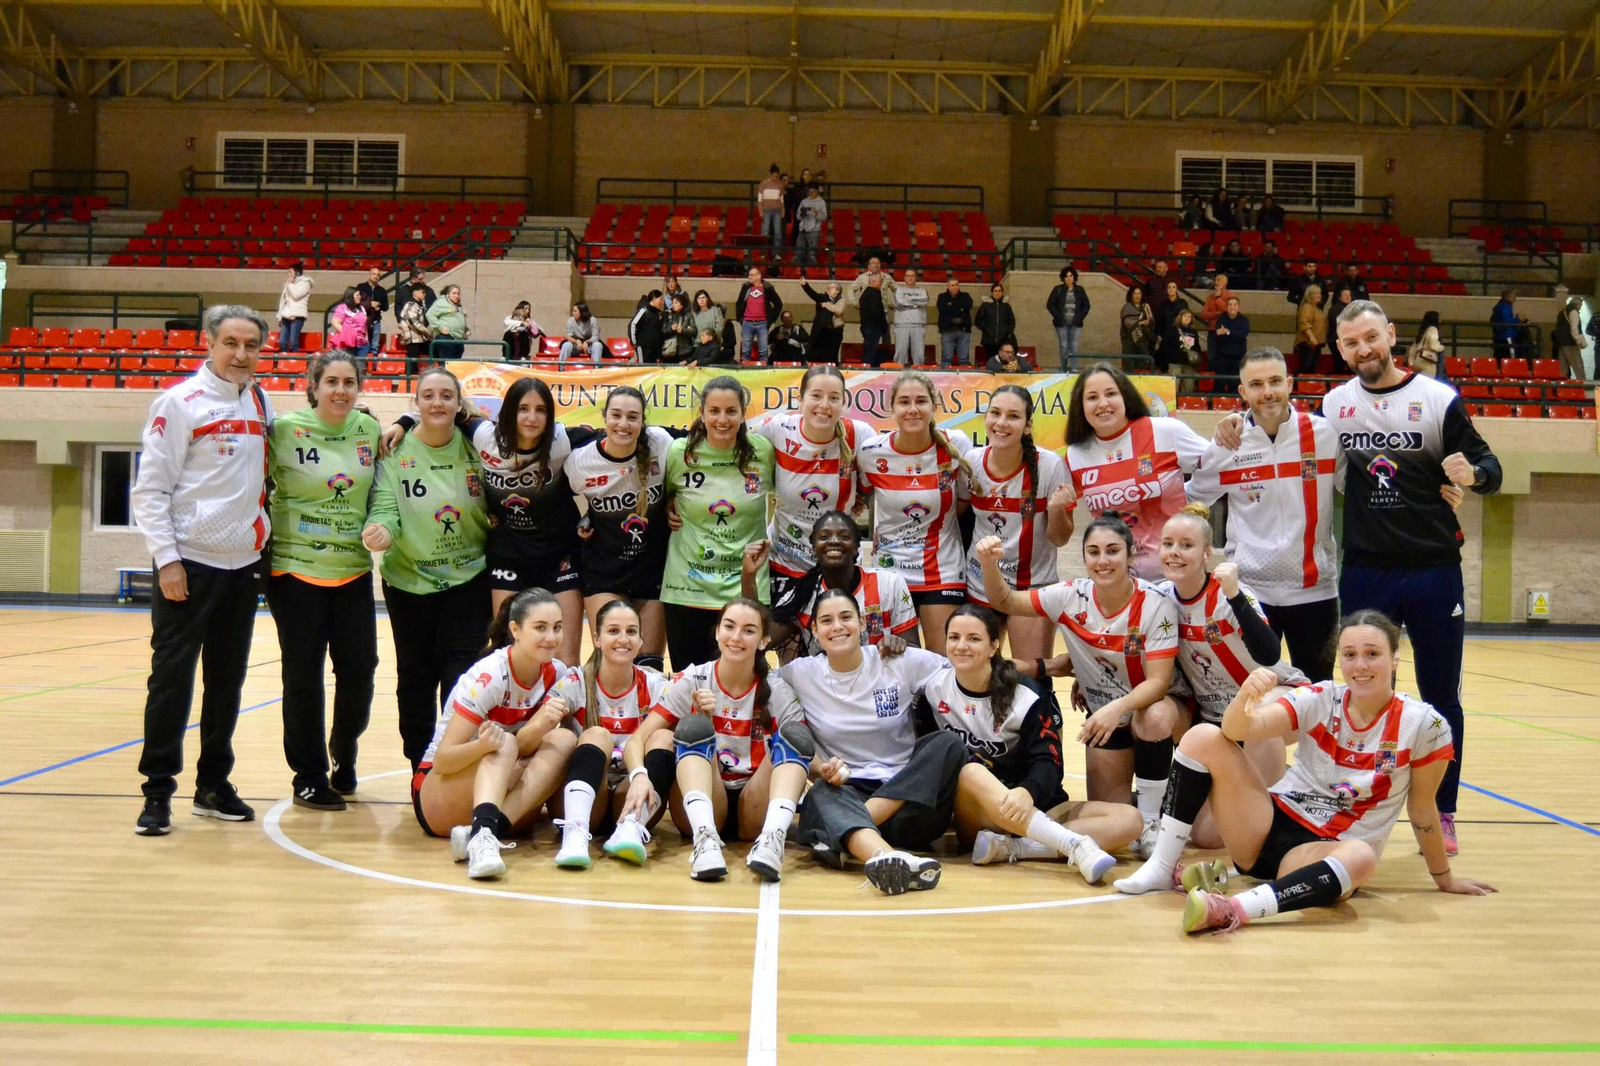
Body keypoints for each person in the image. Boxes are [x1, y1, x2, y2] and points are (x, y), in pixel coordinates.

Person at [1116, 613, 1496, 934]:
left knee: (1363, 857)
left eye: (1372, 654)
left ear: (1395, 659)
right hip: (1267, 826)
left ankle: (1234, 908)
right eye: (1350, 655)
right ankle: (1161, 868)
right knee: (1203, 736)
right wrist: (1244, 695)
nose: (1360, 666)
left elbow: (1423, 808)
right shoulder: (1321, 697)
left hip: (1324, 852)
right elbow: (1236, 732)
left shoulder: (1425, 725)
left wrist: (1443, 878)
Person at [1323, 299, 1502, 854]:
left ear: (1391, 334)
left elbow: (1491, 468)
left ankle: (1442, 810)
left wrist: (1472, 475)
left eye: (1371, 338)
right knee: (1362, 696)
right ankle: (1363, 804)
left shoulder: (1437, 399)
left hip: (1432, 570)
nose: (1363, 350)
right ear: (1340, 348)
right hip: (1366, 571)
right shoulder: (1334, 405)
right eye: (1351, 343)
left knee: (1441, 694)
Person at [130, 304, 275, 836]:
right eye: (231, 343)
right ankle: (157, 792)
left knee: (227, 681)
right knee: (171, 681)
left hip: (243, 567)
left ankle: (213, 784)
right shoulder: (178, 403)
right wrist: (167, 560)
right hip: (188, 565)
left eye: (251, 346)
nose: (241, 355)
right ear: (209, 344)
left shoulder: (261, 401)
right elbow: (150, 490)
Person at [976, 514, 1180, 842]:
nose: (1102, 560)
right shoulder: (1071, 595)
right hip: (1104, 719)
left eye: (1112, 551)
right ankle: (1155, 803)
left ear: (1131, 555)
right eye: (1093, 552)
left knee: (1153, 717)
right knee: (1115, 820)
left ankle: (1155, 819)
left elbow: (1157, 683)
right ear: (1083, 557)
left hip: (1155, 711)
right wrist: (988, 563)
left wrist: (1115, 709)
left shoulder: (1156, 604)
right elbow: (1005, 601)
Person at [386, 375, 596, 666]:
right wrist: (404, 421)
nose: (531, 417)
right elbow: (444, 408)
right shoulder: (485, 436)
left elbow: (616, 441)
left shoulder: (562, 441)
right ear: (509, 411)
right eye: (523, 408)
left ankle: (564, 712)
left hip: (559, 556)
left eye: (541, 410)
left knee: (564, 656)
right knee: (506, 655)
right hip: (509, 555)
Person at [778, 590, 967, 895]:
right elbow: (755, 682)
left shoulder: (897, 659)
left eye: (846, 617)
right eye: (826, 621)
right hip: (846, 789)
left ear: (863, 623)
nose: (837, 626)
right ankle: (885, 856)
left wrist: (1040, 670)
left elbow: (962, 671)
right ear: (814, 630)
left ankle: (845, 834)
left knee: (948, 744)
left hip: (909, 801)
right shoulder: (801, 673)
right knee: (821, 792)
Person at [939, 606, 1140, 878]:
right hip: (982, 815)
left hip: (1031, 805)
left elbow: (1050, 763)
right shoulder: (934, 689)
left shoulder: (1025, 694)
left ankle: (1017, 847)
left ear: (994, 646)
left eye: (974, 638)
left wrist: (1028, 792)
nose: (962, 646)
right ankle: (1071, 844)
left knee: (1131, 820)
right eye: (954, 637)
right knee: (972, 771)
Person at [265, 352, 381, 811]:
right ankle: (309, 776)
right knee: (302, 677)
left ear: (359, 387)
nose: (340, 390)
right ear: (313, 386)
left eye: (349, 382)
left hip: (352, 571)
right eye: (330, 381)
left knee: (360, 672)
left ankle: (344, 748)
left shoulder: (370, 431)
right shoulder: (284, 431)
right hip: (294, 572)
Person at [1151, 506, 1307, 847]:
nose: (1174, 552)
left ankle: (1279, 826)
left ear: (1208, 553)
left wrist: (1235, 594)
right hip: (1218, 719)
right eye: (1167, 544)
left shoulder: (1229, 593)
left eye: (1186, 545)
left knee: (1257, 711)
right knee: (1206, 838)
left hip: (1280, 695)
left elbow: (1269, 654)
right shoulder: (1159, 597)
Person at [624, 599, 810, 882]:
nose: (736, 637)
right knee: (692, 727)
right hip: (704, 796)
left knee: (794, 736)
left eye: (749, 630)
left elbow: (803, 751)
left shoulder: (777, 689)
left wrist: (829, 768)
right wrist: (639, 775)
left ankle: (773, 839)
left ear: (764, 641)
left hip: (753, 804)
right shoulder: (693, 679)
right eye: (730, 626)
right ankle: (705, 841)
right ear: (717, 632)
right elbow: (638, 739)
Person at [363, 367, 491, 772]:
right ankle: (419, 763)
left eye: (446, 396)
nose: (437, 403)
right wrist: (380, 529)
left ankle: (452, 760)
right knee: (415, 675)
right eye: (428, 396)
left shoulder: (476, 448)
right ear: (416, 404)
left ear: (458, 404)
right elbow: (384, 506)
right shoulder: (394, 452)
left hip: (469, 579)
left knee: (461, 672)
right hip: (408, 582)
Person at [1188, 349, 1343, 683]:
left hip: (1315, 591)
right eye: (1256, 384)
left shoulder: (1325, 435)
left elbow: (1360, 488)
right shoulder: (1227, 444)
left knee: (1318, 696)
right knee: (1249, 696)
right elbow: (1190, 500)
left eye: (1275, 381)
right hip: (1249, 594)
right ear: (1242, 392)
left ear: (1289, 383)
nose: (1267, 391)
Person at [411, 589, 576, 880]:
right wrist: (482, 746)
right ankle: (484, 837)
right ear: (515, 630)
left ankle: (482, 832)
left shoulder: (558, 674)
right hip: (438, 790)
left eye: (557, 628)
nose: (551, 637)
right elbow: (443, 761)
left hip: (501, 795)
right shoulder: (489, 676)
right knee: (504, 743)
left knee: (564, 740)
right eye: (540, 628)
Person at [543, 600, 673, 869]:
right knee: (597, 735)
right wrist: (545, 717)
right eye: (613, 631)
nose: (623, 639)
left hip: (632, 797)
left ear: (641, 640)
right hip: (584, 799)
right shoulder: (575, 682)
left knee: (665, 738)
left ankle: (631, 829)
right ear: (597, 639)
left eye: (631, 632)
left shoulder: (656, 685)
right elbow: (532, 740)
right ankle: (574, 835)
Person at [662, 377, 777, 670]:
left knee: (745, 685)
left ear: (743, 413)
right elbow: (664, 495)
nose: (722, 419)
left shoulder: (762, 452)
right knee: (689, 687)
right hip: (687, 588)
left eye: (731, 411)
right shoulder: (680, 452)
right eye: (714, 411)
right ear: (702, 413)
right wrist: (667, 507)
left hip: (746, 588)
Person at [1059, 363, 1209, 581]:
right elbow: (1058, 518)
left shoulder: (1165, 431)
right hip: (1115, 582)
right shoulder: (1075, 455)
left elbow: (1218, 466)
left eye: (1111, 393)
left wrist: (1193, 495)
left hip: (1175, 578)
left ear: (1125, 396)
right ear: (1080, 406)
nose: (1103, 403)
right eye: (1092, 397)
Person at [858, 372, 973, 654]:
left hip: (942, 571)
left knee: (943, 662)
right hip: (889, 571)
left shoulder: (956, 445)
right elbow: (860, 498)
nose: (913, 409)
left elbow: (963, 504)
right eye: (904, 402)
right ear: (892, 409)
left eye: (921, 401)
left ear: (934, 405)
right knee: (893, 662)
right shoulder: (871, 452)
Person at [564, 386, 677, 670]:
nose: (623, 424)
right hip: (604, 571)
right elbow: (557, 500)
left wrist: (673, 500)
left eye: (632, 417)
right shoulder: (581, 462)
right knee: (613, 660)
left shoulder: (661, 444)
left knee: (648, 667)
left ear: (642, 422)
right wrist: (582, 518)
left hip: (651, 569)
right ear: (604, 418)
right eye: (616, 415)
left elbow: (684, 477)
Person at [963, 385, 1072, 662]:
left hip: (1032, 589)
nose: (1001, 423)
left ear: (1027, 426)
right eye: (995, 413)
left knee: (1032, 679)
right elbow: (958, 514)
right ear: (985, 418)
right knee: (979, 677)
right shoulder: (972, 463)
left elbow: (1059, 538)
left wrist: (1057, 510)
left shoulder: (1050, 465)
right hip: (980, 586)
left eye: (1013, 416)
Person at [750, 364, 874, 603]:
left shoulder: (860, 435)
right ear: (800, 399)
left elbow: (883, 480)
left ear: (843, 403)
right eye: (816, 396)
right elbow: (734, 462)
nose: (824, 405)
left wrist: (858, 496)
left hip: (836, 567)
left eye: (834, 398)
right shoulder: (776, 430)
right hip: (782, 562)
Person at [759, 511, 917, 662]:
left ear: (856, 547)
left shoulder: (890, 584)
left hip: (880, 685)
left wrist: (898, 645)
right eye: (825, 536)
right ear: (813, 549)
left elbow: (914, 649)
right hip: (827, 686)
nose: (834, 541)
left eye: (844, 536)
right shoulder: (803, 595)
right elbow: (758, 643)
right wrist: (750, 575)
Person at [1046, 266, 1089, 371]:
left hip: (1076, 324)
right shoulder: (1058, 289)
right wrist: (1058, 316)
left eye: (1071, 276)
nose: (1069, 278)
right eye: (1066, 276)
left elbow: (1086, 305)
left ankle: (1074, 369)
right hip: (1061, 323)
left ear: (1074, 277)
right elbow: (1050, 305)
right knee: (1064, 346)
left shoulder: (1080, 290)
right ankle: (1064, 368)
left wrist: (1079, 318)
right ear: (1063, 278)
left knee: (1074, 346)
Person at [735, 266, 782, 363]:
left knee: (763, 350)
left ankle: (763, 370)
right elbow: (739, 303)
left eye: (752, 275)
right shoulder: (746, 287)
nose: (749, 277)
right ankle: (745, 370)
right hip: (747, 322)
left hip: (762, 323)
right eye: (749, 275)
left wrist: (771, 319)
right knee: (746, 350)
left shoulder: (767, 288)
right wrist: (740, 318)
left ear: (759, 276)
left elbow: (778, 304)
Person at [799, 277, 845, 363]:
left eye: (831, 287)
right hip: (822, 330)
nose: (828, 289)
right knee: (816, 352)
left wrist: (826, 305)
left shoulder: (841, 301)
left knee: (832, 354)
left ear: (837, 291)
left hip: (835, 331)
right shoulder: (822, 297)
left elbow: (839, 311)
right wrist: (805, 285)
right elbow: (813, 294)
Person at [1210, 296, 1250, 389]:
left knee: (1234, 386)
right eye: (1230, 305)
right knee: (1219, 385)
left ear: (1238, 307)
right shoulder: (1221, 319)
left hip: (1237, 359)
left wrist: (1228, 332)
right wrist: (1232, 334)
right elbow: (1219, 335)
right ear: (1227, 307)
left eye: (1235, 305)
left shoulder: (1244, 320)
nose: (1232, 307)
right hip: (1222, 359)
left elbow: (1242, 334)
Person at [892, 268, 929, 366]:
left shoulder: (922, 291)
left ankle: (919, 374)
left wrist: (910, 299)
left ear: (916, 278)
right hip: (902, 325)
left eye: (912, 276)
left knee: (919, 354)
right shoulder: (898, 290)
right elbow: (898, 303)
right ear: (904, 278)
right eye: (908, 275)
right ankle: (898, 373)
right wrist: (915, 305)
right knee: (900, 353)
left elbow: (924, 301)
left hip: (918, 325)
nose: (910, 278)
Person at [974, 281, 1017, 362]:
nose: (997, 293)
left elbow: (1012, 321)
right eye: (995, 291)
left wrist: (1007, 331)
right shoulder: (985, 305)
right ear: (992, 292)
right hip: (988, 340)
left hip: (1003, 340)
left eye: (999, 291)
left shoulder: (1006, 306)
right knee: (990, 361)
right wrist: (986, 329)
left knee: (1003, 361)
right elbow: (978, 320)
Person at [936, 277, 974, 368]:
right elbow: (942, 309)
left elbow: (968, 306)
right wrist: (959, 308)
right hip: (947, 331)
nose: (955, 287)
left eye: (956, 285)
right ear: (948, 287)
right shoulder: (942, 297)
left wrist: (951, 306)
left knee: (964, 359)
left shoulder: (965, 296)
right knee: (947, 358)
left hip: (963, 331)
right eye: (952, 285)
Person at [426, 284, 470, 361]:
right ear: (448, 294)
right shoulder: (441, 302)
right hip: (446, 336)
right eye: (454, 293)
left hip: (459, 338)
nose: (456, 295)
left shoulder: (459, 305)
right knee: (447, 363)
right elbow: (430, 315)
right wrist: (440, 327)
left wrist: (466, 330)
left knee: (456, 364)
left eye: (458, 293)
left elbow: (460, 320)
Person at [856, 271, 890, 366]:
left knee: (869, 350)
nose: (881, 283)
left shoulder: (867, 293)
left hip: (868, 327)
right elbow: (877, 312)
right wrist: (884, 327)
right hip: (873, 328)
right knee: (870, 351)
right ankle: (868, 368)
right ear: (873, 281)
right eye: (880, 281)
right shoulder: (873, 293)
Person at [276, 263, 312, 352]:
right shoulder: (288, 284)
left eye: (290, 272)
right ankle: (285, 360)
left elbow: (296, 295)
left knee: (293, 342)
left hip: (297, 316)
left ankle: (296, 361)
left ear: (297, 273)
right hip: (286, 315)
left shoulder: (305, 283)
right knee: (282, 341)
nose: (288, 274)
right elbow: (283, 301)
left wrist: (291, 284)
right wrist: (279, 316)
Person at [1155, 304, 1200, 376]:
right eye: (1185, 316)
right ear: (1180, 317)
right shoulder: (1172, 330)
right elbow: (1164, 345)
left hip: (1189, 364)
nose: (1187, 318)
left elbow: (1197, 346)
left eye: (1189, 316)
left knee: (1188, 387)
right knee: (1174, 386)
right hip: (1175, 364)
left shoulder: (1193, 331)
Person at [1293, 284, 1326, 376]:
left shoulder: (1318, 308)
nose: (1319, 295)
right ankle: (1296, 385)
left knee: (1313, 367)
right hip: (1308, 343)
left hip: (1317, 343)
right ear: (1310, 295)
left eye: (1319, 293)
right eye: (1316, 293)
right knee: (1305, 366)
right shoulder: (1307, 307)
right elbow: (1305, 324)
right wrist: (1312, 338)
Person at [356, 265, 388, 360]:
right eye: (374, 274)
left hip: (376, 320)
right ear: (369, 275)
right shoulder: (361, 287)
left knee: (374, 345)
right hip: (363, 320)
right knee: (363, 343)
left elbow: (386, 307)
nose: (376, 276)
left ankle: (373, 366)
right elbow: (357, 302)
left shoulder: (382, 291)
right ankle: (363, 364)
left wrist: (379, 305)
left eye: (378, 275)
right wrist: (370, 304)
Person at [398, 284, 432, 368]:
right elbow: (414, 324)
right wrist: (427, 332)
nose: (425, 294)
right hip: (413, 340)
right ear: (416, 293)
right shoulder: (411, 305)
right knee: (412, 364)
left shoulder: (417, 305)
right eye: (423, 292)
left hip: (419, 339)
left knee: (433, 352)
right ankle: (409, 380)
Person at [794, 183, 827, 268]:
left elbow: (823, 217)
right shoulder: (804, 201)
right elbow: (797, 216)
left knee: (811, 253)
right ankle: (797, 270)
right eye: (810, 191)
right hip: (803, 228)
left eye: (813, 191)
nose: (811, 193)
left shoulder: (821, 202)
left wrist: (816, 213)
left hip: (814, 230)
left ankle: (811, 271)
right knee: (799, 251)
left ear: (817, 192)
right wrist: (802, 214)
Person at [1555, 296, 1588, 380]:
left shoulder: (1562, 312)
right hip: (1570, 343)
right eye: (1580, 306)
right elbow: (1574, 328)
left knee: (1562, 368)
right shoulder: (1573, 312)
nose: (1580, 308)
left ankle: (1560, 388)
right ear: (1577, 304)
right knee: (1578, 366)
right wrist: (1578, 341)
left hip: (1561, 343)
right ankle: (1582, 386)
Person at [1199, 274, 1234, 351]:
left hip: (1226, 330)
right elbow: (1203, 314)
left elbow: (1229, 310)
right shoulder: (1210, 297)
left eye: (1218, 280)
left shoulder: (1231, 296)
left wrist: (1218, 298)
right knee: (1212, 357)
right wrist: (1216, 313)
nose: (1216, 282)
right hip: (1212, 331)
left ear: (1225, 282)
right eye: (1215, 280)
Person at [629, 290, 666, 365]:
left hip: (654, 348)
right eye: (661, 299)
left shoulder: (656, 314)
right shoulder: (643, 310)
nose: (662, 303)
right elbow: (632, 324)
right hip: (643, 347)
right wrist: (634, 342)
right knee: (643, 369)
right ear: (654, 298)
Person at [328, 288, 368, 356]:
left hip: (362, 344)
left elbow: (364, 325)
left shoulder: (362, 308)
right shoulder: (342, 307)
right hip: (347, 344)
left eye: (360, 295)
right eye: (357, 295)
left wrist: (366, 338)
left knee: (360, 366)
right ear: (351, 296)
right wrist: (349, 335)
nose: (360, 297)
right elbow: (335, 322)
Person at [1490, 289, 1527, 361]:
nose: (1515, 300)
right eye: (1513, 298)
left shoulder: (1499, 306)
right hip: (1506, 335)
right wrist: (1518, 319)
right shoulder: (1506, 306)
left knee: (1499, 356)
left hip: (1499, 336)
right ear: (1508, 298)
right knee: (1511, 356)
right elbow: (1506, 321)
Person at [1119, 284, 1154, 358]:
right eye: (1135, 293)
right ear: (1131, 295)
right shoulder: (1126, 307)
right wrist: (1141, 323)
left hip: (1143, 341)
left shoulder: (1145, 307)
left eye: (1139, 293)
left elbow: (1152, 322)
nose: (1137, 296)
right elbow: (1128, 324)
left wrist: (1148, 322)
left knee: (1143, 366)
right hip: (1129, 342)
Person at [757, 165, 786, 250]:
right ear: (770, 174)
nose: (775, 178)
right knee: (765, 231)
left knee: (778, 232)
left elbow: (781, 199)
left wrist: (783, 210)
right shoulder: (763, 184)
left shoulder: (780, 185)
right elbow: (759, 200)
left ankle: (776, 252)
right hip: (766, 210)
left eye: (776, 176)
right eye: (773, 176)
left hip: (777, 210)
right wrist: (761, 211)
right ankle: (764, 252)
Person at [1410, 311, 1446, 379]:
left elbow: (1413, 348)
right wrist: (1441, 347)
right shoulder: (1433, 329)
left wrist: (1411, 362)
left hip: (1417, 361)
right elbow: (1433, 345)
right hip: (1427, 361)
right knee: (1427, 385)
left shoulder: (1423, 331)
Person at [663, 293, 696, 363]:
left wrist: (683, 331)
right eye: (672, 303)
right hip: (670, 349)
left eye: (676, 303)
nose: (673, 305)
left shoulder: (688, 315)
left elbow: (694, 331)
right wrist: (671, 329)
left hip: (685, 350)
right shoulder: (668, 315)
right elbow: (663, 331)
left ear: (682, 304)